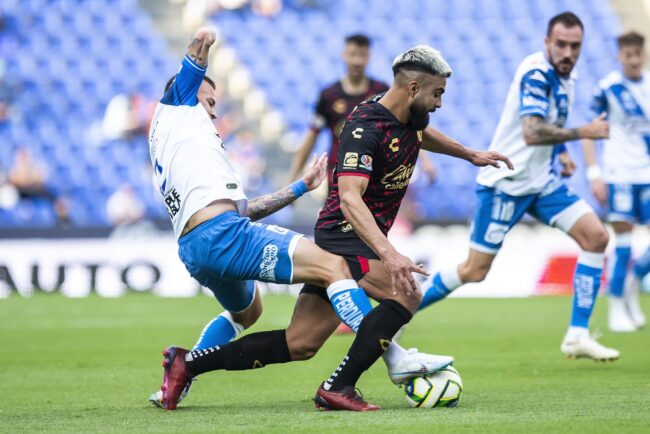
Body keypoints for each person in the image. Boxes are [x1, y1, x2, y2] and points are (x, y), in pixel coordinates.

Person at [154, 44, 512, 412]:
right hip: (345, 233)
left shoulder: (411, 116)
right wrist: (390, 255)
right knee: (406, 294)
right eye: (437, 94)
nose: (439, 103)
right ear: (413, 89)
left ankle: (189, 363)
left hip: (359, 234)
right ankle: (340, 385)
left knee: (301, 343)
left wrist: (470, 154)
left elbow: (421, 135)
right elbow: (349, 199)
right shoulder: (363, 128)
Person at [417, 12, 619, 361]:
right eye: (561, 45)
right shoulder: (536, 73)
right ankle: (400, 311)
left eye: (575, 46)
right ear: (546, 43)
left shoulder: (565, 75)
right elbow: (531, 131)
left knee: (597, 237)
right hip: (505, 183)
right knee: (474, 271)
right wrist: (582, 134)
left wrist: (563, 152)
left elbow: (548, 123)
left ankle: (577, 335)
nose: (568, 52)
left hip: (540, 183)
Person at [581, 31, 649, 332]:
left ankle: (633, 284)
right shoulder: (608, 89)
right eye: (628, 55)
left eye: (638, 54)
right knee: (622, 244)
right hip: (620, 175)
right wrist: (594, 173)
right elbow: (589, 131)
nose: (634, 60)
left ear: (644, 55)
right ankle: (617, 306)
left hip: (647, 174)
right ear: (619, 56)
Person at [288, 34, 389, 186]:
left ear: (369, 57)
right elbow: (312, 135)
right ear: (344, 55)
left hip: (373, 176)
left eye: (362, 56)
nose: (357, 61)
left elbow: (402, 125)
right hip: (338, 176)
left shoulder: (381, 92)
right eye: (352, 55)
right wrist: (293, 178)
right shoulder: (329, 95)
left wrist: (424, 160)